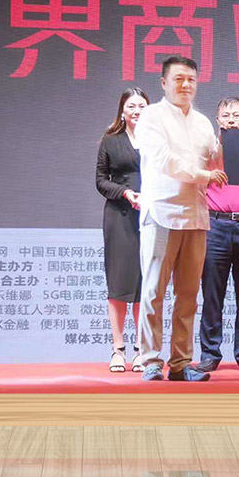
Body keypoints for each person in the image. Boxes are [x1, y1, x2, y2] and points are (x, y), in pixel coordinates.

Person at [134, 56, 228, 382]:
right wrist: (204, 174)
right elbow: (164, 160)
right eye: (178, 79)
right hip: (161, 212)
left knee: (188, 295)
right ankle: (150, 360)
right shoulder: (151, 116)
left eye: (191, 79)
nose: (185, 85)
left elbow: (217, 160)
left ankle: (181, 362)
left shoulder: (202, 123)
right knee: (153, 291)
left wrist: (234, 143)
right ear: (164, 83)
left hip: (196, 216)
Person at [197, 97, 239, 373]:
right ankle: (210, 352)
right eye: (226, 115)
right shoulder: (207, 150)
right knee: (212, 293)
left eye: (236, 115)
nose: (231, 120)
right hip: (216, 225)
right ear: (218, 120)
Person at [95, 87, 149, 372]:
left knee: (144, 284)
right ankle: (118, 349)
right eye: (131, 106)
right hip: (120, 216)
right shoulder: (110, 140)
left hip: (150, 217)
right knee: (118, 284)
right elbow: (101, 181)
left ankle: (141, 350)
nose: (137, 111)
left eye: (142, 106)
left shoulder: (157, 140)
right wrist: (126, 193)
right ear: (122, 111)